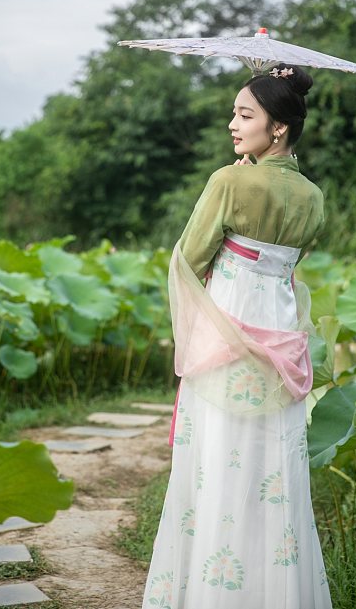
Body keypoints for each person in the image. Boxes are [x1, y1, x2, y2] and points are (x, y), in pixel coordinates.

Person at [141, 64, 332, 609]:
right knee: (272, 470)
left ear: (278, 128)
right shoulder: (314, 198)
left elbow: (189, 259)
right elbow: (291, 268)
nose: (233, 123)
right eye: (234, 112)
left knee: (219, 461)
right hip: (279, 334)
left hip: (228, 330)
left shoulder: (228, 181)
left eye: (245, 113)